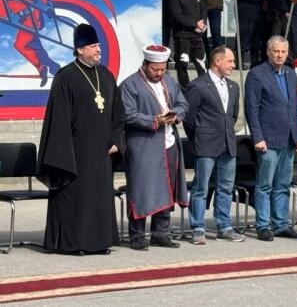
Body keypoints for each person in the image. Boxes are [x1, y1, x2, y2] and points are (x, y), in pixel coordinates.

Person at [36, 24, 124, 255]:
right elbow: (58, 120)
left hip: (102, 152)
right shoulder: (65, 77)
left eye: (98, 46)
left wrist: (117, 139)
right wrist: (64, 153)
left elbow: (118, 113)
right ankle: (73, 243)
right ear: (79, 49)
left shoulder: (105, 75)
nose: (98, 50)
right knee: (76, 198)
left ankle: (99, 242)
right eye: (94, 46)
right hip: (75, 153)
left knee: (100, 198)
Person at [119, 45, 189, 251]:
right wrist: (155, 120)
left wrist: (175, 115)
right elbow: (127, 114)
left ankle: (161, 232)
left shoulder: (170, 81)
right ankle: (137, 235)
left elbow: (183, 104)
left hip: (169, 143)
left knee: (167, 188)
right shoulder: (130, 85)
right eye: (155, 70)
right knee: (142, 189)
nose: (159, 73)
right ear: (145, 64)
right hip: (143, 145)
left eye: (162, 69)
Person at [244, 36, 297, 241]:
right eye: (275, 51)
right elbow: (251, 109)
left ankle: (281, 224)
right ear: (268, 52)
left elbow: (296, 107)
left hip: (288, 139)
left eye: (283, 52)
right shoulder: (257, 74)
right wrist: (258, 137)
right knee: (265, 185)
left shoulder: (291, 74)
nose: (279, 55)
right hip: (268, 140)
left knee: (282, 184)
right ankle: (263, 225)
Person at [184, 46, 246, 244]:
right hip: (206, 144)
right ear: (217, 61)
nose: (233, 65)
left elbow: (232, 115)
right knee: (201, 187)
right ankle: (198, 228)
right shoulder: (199, 85)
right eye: (230, 61)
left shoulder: (233, 87)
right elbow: (189, 118)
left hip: (228, 143)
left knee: (226, 187)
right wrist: (199, 137)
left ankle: (224, 226)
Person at [169, 0, 207, 88]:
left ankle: (204, 87)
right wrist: (195, 24)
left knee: (201, 64)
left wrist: (202, 23)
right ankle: (185, 90)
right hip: (183, 37)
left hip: (197, 36)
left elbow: (203, 8)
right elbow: (177, 16)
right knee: (183, 65)